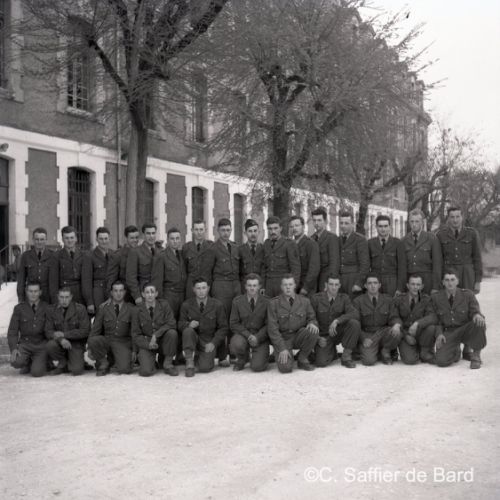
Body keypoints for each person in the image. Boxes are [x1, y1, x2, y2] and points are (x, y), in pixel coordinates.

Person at [436, 207, 483, 361]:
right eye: (452, 217)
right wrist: (440, 280)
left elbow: (477, 257)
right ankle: (454, 342)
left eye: (457, 216)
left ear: (462, 217)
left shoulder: (471, 233)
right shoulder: (441, 235)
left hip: (467, 273)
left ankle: (468, 347)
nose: (455, 220)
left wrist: (478, 280)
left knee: (468, 308)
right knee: (451, 307)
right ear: (448, 218)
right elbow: (439, 260)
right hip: (449, 274)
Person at [431, 270, 487, 369]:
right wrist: (439, 334)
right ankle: (456, 350)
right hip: (449, 332)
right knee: (441, 361)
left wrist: (477, 315)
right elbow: (436, 320)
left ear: (457, 281)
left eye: (452, 279)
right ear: (443, 282)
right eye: (447, 280)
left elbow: (474, 310)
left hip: (464, 329)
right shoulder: (436, 297)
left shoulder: (467, 294)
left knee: (479, 321)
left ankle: (476, 356)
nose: (450, 283)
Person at [204, 218, 240, 367]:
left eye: (228, 230)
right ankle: (222, 355)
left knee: (234, 319)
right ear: (218, 231)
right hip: (220, 285)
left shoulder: (235, 247)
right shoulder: (212, 249)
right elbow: (207, 272)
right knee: (221, 320)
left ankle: (233, 353)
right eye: (223, 230)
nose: (226, 233)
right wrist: (208, 292)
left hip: (235, 286)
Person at [267, 275, 319, 373]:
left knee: (313, 330)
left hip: (298, 335)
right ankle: (279, 353)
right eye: (285, 285)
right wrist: (282, 348)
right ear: (281, 287)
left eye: (290, 284)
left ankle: (302, 358)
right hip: (284, 339)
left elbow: (312, 318)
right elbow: (272, 329)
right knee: (285, 368)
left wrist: (312, 323)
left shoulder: (305, 301)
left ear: (295, 285)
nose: (288, 287)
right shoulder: (274, 303)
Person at [178, 278, 229, 377]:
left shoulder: (217, 305)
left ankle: (199, 358)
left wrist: (213, 343)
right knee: (188, 331)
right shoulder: (186, 305)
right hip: (194, 339)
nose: (201, 291)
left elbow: (223, 328)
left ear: (208, 288)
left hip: (208, 341)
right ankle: (189, 362)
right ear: (193, 289)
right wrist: (188, 324)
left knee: (205, 367)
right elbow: (180, 324)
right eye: (198, 288)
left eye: (203, 288)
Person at [87, 280, 136, 376]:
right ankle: (103, 362)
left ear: (125, 292)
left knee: (124, 369)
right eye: (116, 291)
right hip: (107, 340)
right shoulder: (103, 308)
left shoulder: (131, 308)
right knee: (93, 339)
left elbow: (135, 331)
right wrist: (90, 348)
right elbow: (95, 330)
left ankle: (112, 359)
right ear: (111, 293)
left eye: (121, 290)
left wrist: (134, 350)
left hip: (122, 342)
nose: (118, 293)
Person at [310, 274, 361, 368]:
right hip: (324, 335)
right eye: (331, 284)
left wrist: (337, 320)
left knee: (354, 323)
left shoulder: (344, 298)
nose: (334, 287)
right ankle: (332, 352)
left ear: (339, 285)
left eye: (336, 284)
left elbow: (354, 313)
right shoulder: (316, 298)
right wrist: (317, 338)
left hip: (338, 332)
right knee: (321, 363)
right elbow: (311, 318)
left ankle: (346, 357)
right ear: (326, 285)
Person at [353, 274, 402, 366]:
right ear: (365, 286)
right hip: (368, 334)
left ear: (379, 285)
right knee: (369, 361)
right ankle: (373, 351)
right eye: (370, 283)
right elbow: (355, 323)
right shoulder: (358, 301)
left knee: (397, 332)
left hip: (383, 332)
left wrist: (397, 324)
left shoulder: (388, 299)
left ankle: (386, 350)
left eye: (375, 283)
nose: (373, 286)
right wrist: (363, 338)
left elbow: (394, 316)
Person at [131, 283, 179, 377]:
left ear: (156, 293)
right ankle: (152, 362)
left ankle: (168, 364)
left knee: (172, 333)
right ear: (143, 294)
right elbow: (135, 334)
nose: (150, 295)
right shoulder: (136, 310)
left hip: (162, 341)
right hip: (147, 343)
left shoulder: (164, 305)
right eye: (147, 292)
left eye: (152, 292)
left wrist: (156, 335)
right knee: (145, 372)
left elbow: (172, 323)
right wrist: (148, 345)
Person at [389, 274, 438, 364]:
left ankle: (425, 351)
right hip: (405, 333)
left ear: (422, 286)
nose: (415, 287)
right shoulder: (399, 299)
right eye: (413, 284)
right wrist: (404, 334)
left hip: (420, 332)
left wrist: (417, 323)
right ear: (408, 285)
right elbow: (394, 316)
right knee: (410, 360)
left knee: (431, 328)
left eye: (418, 284)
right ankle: (416, 350)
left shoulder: (427, 299)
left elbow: (433, 316)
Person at [7, 280, 51, 377]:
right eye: (30, 291)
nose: (33, 294)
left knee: (37, 372)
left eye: (36, 291)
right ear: (26, 292)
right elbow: (12, 331)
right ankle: (26, 362)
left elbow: (51, 329)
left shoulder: (47, 307)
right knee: (16, 362)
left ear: (40, 292)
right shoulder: (19, 308)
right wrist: (14, 349)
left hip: (41, 345)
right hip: (25, 344)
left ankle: (42, 361)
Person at [229, 273, 270, 372]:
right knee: (236, 343)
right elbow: (234, 323)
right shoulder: (237, 301)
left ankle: (262, 356)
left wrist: (258, 337)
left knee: (257, 367)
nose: (252, 288)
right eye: (249, 285)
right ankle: (242, 358)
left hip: (260, 337)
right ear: (245, 286)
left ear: (259, 286)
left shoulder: (267, 302)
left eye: (255, 285)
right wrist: (248, 335)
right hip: (244, 335)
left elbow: (270, 324)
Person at [45, 287, 90, 375]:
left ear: (71, 297)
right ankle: (62, 362)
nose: (64, 300)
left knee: (77, 370)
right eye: (61, 297)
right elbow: (48, 331)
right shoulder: (51, 310)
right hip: (59, 343)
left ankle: (72, 362)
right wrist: (61, 339)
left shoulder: (80, 309)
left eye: (66, 297)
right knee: (50, 345)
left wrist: (64, 334)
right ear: (58, 297)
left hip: (75, 343)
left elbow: (85, 331)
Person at [402, 209, 442, 295]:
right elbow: (402, 266)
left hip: (427, 281)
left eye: (417, 221)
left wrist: (435, 286)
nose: (414, 224)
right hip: (411, 281)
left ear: (422, 222)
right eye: (412, 221)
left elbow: (437, 264)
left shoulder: (431, 238)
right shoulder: (404, 240)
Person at [152, 227, 187, 319]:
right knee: (169, 322)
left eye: (177, 238)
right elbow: (157, 282)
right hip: (169, 296)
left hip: (182, 296)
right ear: (167, 240)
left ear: (180, 239)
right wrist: (161, 302)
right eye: (172, 239)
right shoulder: (161, 256)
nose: (175, 241)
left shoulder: (181, 255)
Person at [368, 215, 406, 297]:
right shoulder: (370, 243)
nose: (383, 229)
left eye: (385, 226)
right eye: (380, 226)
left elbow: (402, 267)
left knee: (391, 303)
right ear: (376, 227)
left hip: (392, 282)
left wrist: (399, 288)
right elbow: (367, 266)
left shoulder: (397, 243)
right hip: (375, 282)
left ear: (390, 227)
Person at [17, 227, 58, 304]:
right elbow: (21, 280)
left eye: (42, 239)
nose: (39, 242)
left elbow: (55, 281)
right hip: (30, 297)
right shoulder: (26, 256)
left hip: (47, 297)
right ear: (33, 240)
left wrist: (55, 300)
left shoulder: (53, 256)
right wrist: (21, 298)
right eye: (37, 239)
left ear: (46, 240)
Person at [262, 216, 300, 298]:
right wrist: (262, 286)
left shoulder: (289, 244)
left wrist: (293, 287)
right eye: (270, 229)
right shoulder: (266, 244)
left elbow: (295, 268)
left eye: (275, 228)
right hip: (269, 286)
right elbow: (263, 267)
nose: (273, 231)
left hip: (283, 284)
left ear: (281, 228)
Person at [126, 223, 160, 305]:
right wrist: (137, 296)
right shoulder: (135, 252)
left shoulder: (160, 251)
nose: (151, 236)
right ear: (143, 235)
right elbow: (130, 278)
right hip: (143, 295)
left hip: (157, 295)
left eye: (153, 233)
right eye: (148, 233)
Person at [338, 211, 369, 299]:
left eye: (346, 223)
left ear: (352, 224)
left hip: (353, 280)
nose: (343, 226)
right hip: (340, 281)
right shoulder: (337, 240)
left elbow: (365, 265)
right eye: (341, 223)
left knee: (354, 305)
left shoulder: (360, 240)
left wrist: (359, 283)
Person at [82, 227, 112, 315]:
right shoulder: (90, 256)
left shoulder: (113, 254)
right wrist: (89, 302)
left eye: (106, 238)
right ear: (96, 239)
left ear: (109, 238)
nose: (104, 241)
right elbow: (86, 281)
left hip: (112, 293)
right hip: (98, 293)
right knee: (100, 317)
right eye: (101, 239)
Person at [106, 225, 140, 302]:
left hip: (140, 294)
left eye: (136, 237)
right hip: (125, 295)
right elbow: (111, 279)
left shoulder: (140, 252)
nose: (135, 240)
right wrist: (110, 297)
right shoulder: (118, 255)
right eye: (132, 238)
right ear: (126, 238)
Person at [182, 220, 213, 299]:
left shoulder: (211, 247)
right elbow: (184, 269)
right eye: (196, 230)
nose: (199, 232)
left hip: (207, 285)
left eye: (201, 229)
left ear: (205, 230)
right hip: (191, 286)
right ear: (192, 230)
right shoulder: (186, 248)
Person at [289, 215, 320, 297]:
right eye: (291, 226)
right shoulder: (290, 245)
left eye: (297, 225)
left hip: (306, 288)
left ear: (303, 226)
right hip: (293, 287)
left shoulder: (311, 244)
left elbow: (314, 269)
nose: (294, 228)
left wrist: (306, 287)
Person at [311, 207, 340, 293]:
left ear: (325, 221)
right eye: (314, 220)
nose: (316, 223)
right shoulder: (312, 238)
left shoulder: (331, 238)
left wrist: (330, 283)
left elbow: (334, 262)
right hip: (314, 280)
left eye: (319, 220)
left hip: (326, 278)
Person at [54, 226, 84, 304]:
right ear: (62, 239)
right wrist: (56, 300)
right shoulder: (57, 256)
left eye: (72, 237)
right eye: (66, 238)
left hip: (80, 295)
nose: (69, 240)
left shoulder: (83, 255)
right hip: (64, 295)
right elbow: (54, 281)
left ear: (76, 239)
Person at [238, 219, 265, 292]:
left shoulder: (263, 249)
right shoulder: (240, 250)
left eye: (255, 231)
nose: (253, 234)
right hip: (245, 288)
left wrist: (263, 286)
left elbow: (265, 270)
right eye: (250, 231)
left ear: (259, 232)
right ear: (245, 233)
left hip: (259, 287)